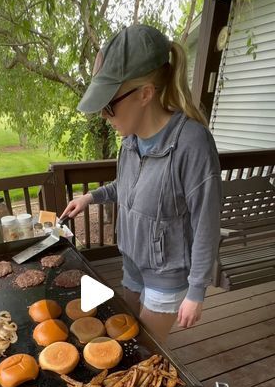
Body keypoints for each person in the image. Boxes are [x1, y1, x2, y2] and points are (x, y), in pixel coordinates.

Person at [61, 24, 222, 342]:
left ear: (146, 93)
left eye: (109, 105)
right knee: (124, 329)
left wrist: (197, 291)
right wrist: (90, 198)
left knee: (142, 347)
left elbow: (207, 224)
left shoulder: (192, 143)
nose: (104, 116)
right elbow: (127, 187)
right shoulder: (130, 142)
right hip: (132, 264)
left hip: (168, 275)